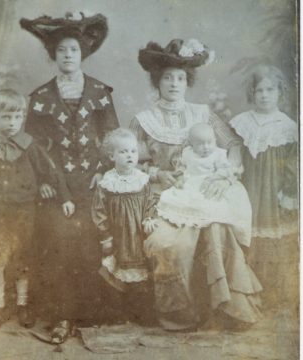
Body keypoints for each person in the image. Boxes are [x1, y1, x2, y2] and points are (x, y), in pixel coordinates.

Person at [130, 38, 261, 331]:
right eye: (167, 78)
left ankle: (229, 308)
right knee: (169, 244)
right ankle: (180, 315)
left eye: (180, 78)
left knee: (218, 229)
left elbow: (233, 145)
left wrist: (224, 175)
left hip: (204, 189)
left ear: (187, 82)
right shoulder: (144, 120)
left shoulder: (203, 114)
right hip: (163, 195)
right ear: (157, 81)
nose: (174, 84)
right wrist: (157, 175)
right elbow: (131, 163)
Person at [20, 11, 119, 342]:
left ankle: (90, 313)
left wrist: (104, 172)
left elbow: (113, 139)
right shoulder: (40, 99)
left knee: (93, 242)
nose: (67, 55)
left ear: (83, 53)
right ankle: (61, 315)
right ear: (53, 54)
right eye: (61, 50)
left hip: (93, 182)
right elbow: (32, 147)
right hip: (55, 187)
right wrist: (45, 182)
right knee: (59, 243)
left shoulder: (100, 93)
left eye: (73, 50)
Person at [0, 89, 71, 331]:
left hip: (24, 212)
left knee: (24, 257)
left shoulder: (28, 144)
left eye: (17, 117)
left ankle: (23, 305)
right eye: (6, 117)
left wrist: (63, 196)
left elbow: (50, 171)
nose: (12, 123)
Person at [229, 65, 298, 306]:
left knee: (271, 236)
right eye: (259, 90)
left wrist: (288, 193)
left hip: (272, 191)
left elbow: (293, 165)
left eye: (270, 90)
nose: (264, 95)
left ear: (280, 92)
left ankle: (271, 295)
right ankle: (245, 292)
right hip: (247, 188)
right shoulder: (241, 123)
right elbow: (233, 156)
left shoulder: (288, 127)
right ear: (252, 93)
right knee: (245, 233)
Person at [92, 128, 157, 323]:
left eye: (133, 151)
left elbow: (150, 202)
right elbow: (98, 211)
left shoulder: (142, 180)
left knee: (141, 272)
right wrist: (106, 236)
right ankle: (118, 313)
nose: (129, 156)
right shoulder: (107, 183)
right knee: (116, 271)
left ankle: (141, 313)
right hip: (118, 235)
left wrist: (149, 218)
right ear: (111, 156)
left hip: (138, 234)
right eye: (123, 152)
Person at [157, 123, 252, 247]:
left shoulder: (218, 154)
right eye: (200, 144)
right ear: (192, 144)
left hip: (210, 183)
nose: (206, 147)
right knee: (181, 201)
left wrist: (217, 177)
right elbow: (182, 168)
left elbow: (225, 170)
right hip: (191, 184)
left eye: (209, 142)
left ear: (215, 140)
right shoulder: (187, 153)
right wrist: (180, 178)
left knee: (212, 203)